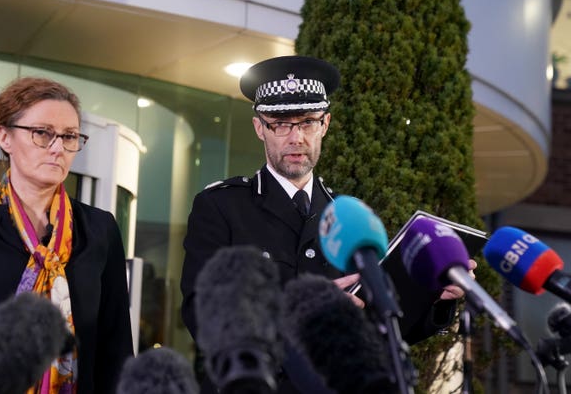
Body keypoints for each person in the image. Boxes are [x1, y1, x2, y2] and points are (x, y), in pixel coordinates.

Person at [180, 55, 476, 393]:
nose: (296, 138)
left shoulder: (351, 216)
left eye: (307, 122)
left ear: (325, 124)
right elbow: (202, 314)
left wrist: (432, 297)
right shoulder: (221, 206)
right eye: (281, 123)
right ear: (259, 127)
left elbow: (385, 328)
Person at [0, 77, 133, 393]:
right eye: (42, 133)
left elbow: (115, 345)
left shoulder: (99, 229)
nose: (58, 147)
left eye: (69, 136)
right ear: (5, 137)